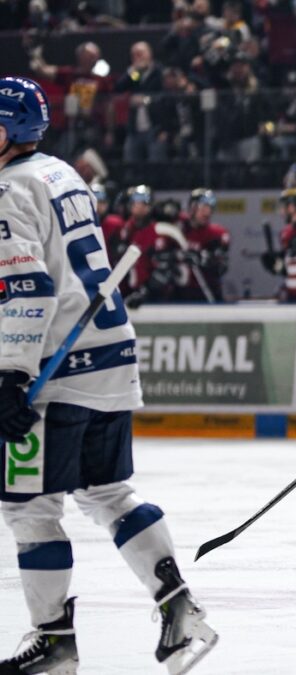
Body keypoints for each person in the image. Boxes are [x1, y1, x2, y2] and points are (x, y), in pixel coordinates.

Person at [0, 76, 216, 675]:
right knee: (107, 492)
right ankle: (179, 607)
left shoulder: (6, 190)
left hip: (54, 366)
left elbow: (28, 288)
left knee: (29, 508)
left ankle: (54, 643)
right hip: (111, 355)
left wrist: (10, 374)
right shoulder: (62, 173)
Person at [178, 188, 231, 303]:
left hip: (206, 291)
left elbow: (221, 267)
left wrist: (203, 258)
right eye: (202, 208)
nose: (207, 213)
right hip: (178, 291)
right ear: (192, 208)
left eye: (210, 208)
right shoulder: (178, 227)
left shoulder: (217, 234)